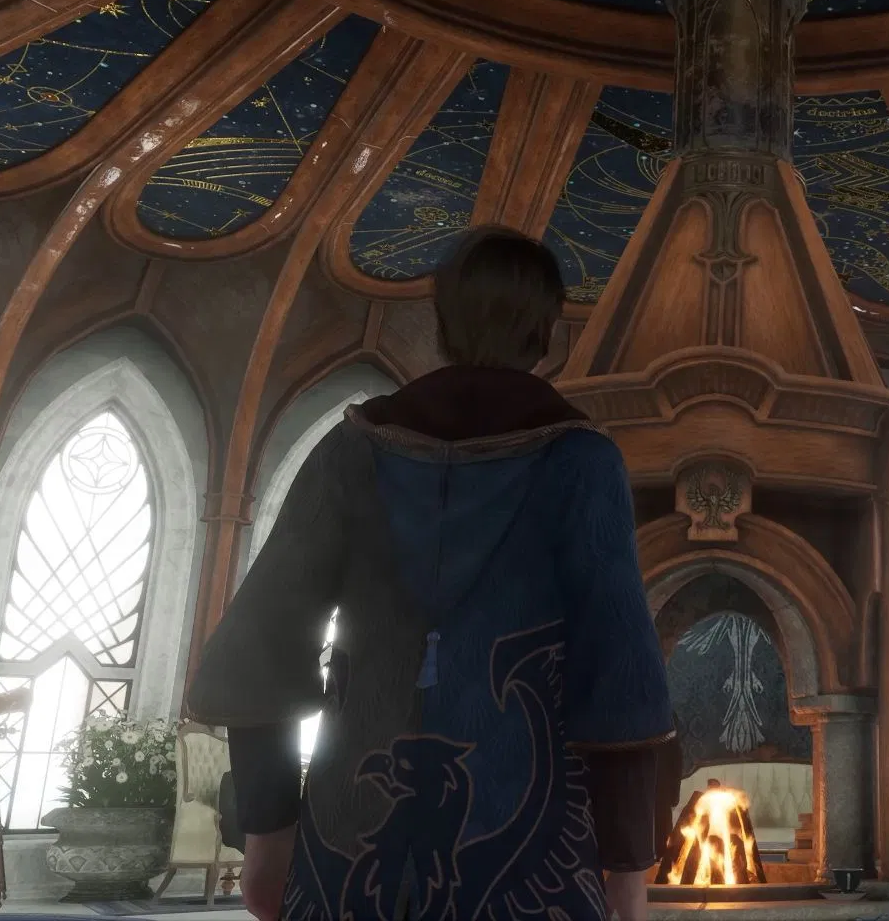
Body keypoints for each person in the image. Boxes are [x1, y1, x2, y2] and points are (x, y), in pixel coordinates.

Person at [187, 227, 675, 921]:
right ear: (546, 334)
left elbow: (259, 644)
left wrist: (266, 832)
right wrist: (625, 866)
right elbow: (619, 668)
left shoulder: (351, 449)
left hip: (344, 848)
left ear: (442, 324)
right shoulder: (583, 463)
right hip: (535, 857)